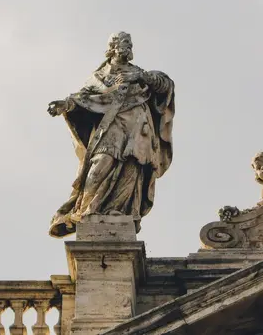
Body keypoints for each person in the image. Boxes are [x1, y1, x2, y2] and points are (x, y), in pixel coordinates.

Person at [46, 32, 175, 237]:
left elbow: (166, 85)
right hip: (111, 127)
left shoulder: (140, 74)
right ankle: (87, 211)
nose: (128, 46)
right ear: (113, 47)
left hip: (138, 126)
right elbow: (84, 98)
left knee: (132, 167)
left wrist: (141, 77)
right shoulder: (98, 77)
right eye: (124, 42)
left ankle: (120, 212)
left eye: (129, 43)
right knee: (99, 165)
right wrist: (66, 104)